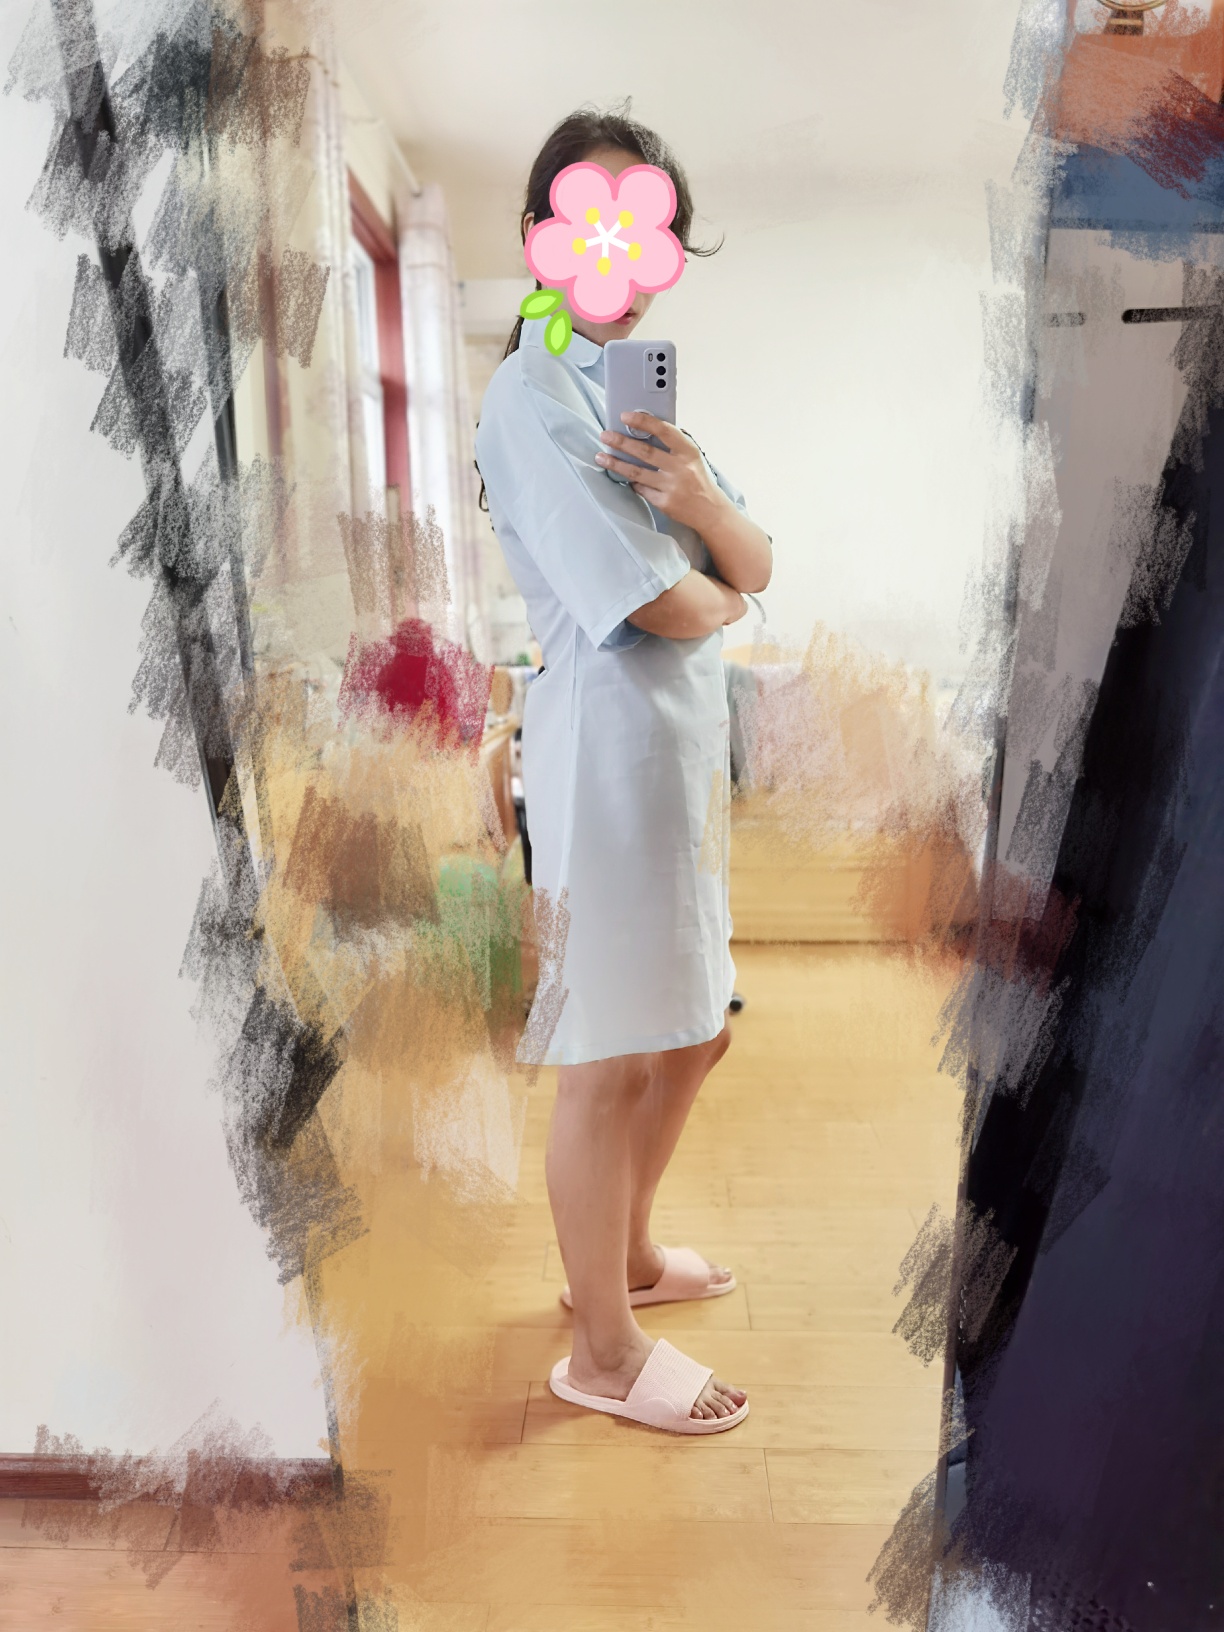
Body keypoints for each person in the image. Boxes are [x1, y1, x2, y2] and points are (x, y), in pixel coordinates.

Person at [474, 108, 772, 1435]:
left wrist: (702, 508)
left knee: (695, 1030)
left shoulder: (633, 389)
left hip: (677, 764)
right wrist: (719, 586)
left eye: (644, 231)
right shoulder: (529, 394)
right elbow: (660, 603)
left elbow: (753, 561)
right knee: (606, 1052)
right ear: (543, 236)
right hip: (602, 762)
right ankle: (601, 1349)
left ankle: (633, 1257)